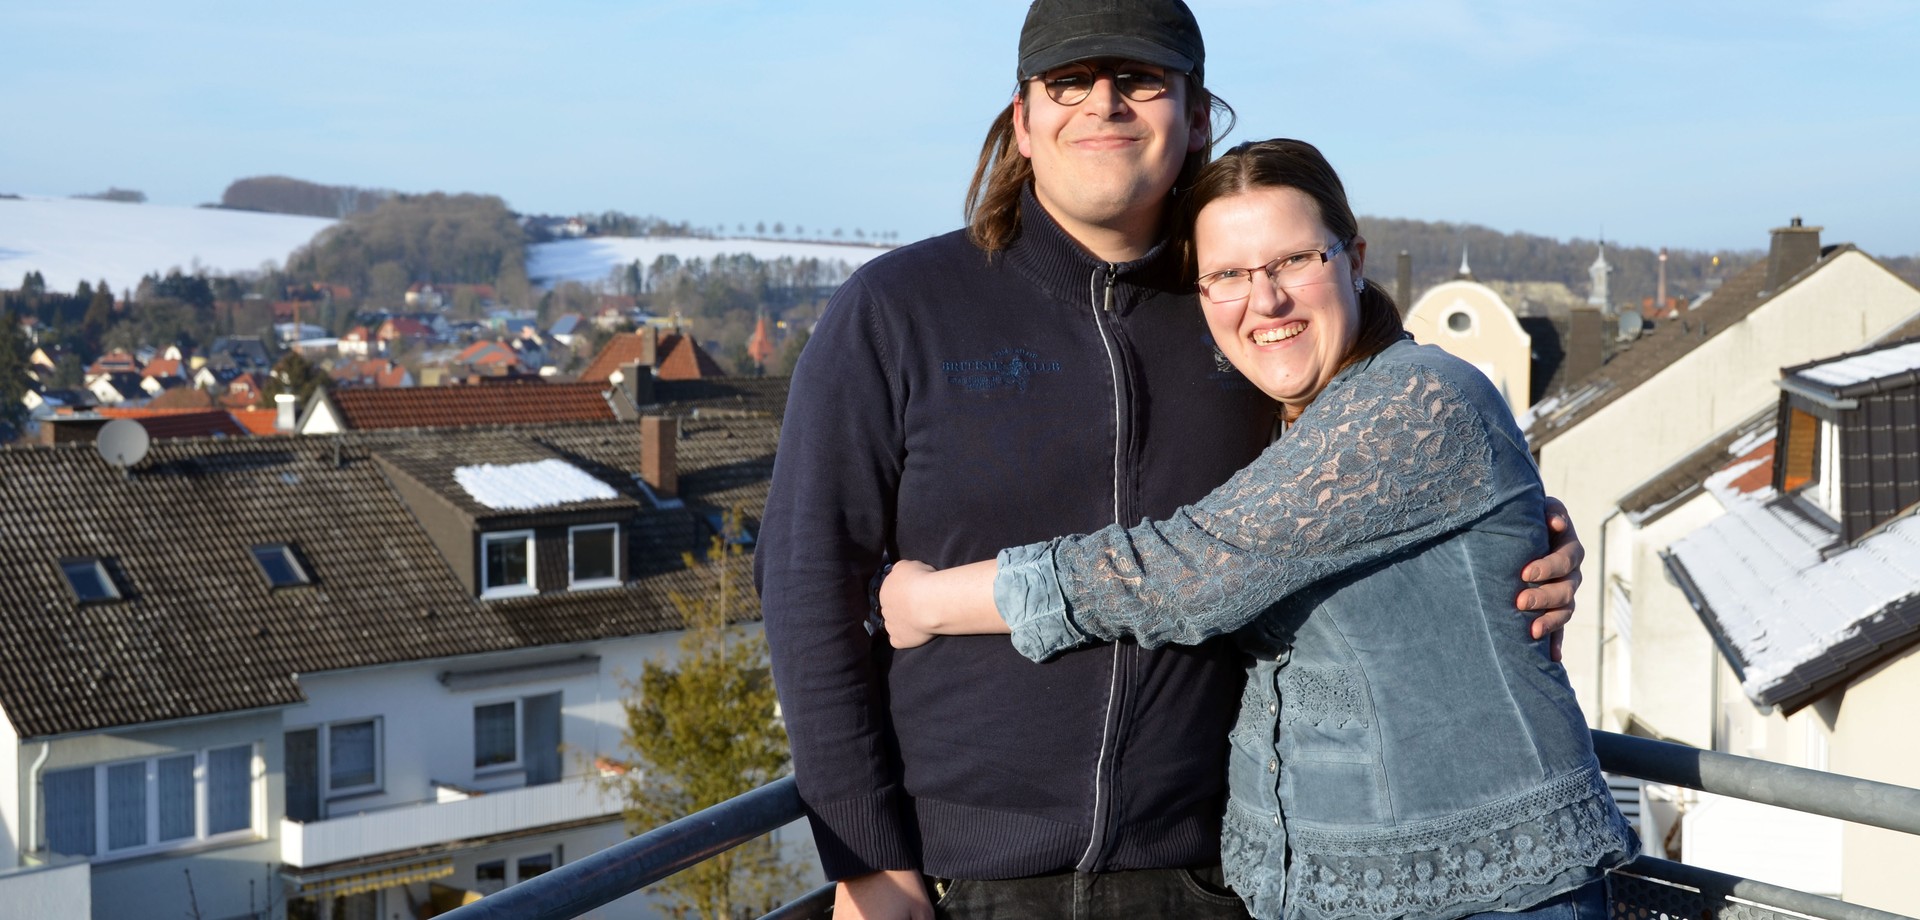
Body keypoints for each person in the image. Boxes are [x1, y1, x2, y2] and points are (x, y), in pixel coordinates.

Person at [755, 3, 1586, 918]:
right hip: (962, 883)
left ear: (1195, 118)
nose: (1103, 104)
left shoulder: (1248, 323)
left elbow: (1345, 483)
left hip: (1213, 882)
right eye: (1068, 81)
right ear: (1022, 120)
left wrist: (1519, 549)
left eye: (1140, 80)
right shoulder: (899, 309)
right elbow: (805, 582)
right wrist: (870, 858)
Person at [878, 137, 1640, 920]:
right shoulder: (1283, 424)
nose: (1265, 300)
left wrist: (927, 603)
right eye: (1229, 276)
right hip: (1314, 891)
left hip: (1491, 889)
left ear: (1353, 258)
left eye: (1294, 261)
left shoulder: (1415, 400)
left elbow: (1185, 572)